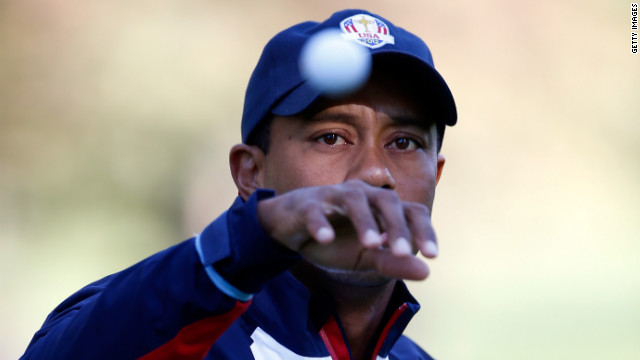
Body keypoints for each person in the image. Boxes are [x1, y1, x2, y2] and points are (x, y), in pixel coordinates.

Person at [22, 8, 457, 360]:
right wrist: (244, 247)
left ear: (435, 177)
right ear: (250, 173)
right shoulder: (160, 326)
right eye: (331, 137)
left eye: (403, 142)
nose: (374, 173)